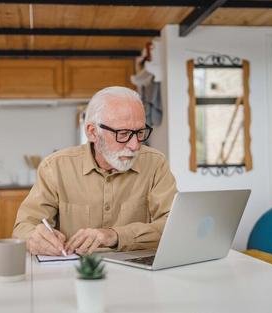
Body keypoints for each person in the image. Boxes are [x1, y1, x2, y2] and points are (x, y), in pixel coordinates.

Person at [12, 86, 177, 256]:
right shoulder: (55, 167)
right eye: (123, 133)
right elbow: (23, 227)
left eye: (140, 132)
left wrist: (114, 235)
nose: (135, 145)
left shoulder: (155, 163)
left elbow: (174, 224)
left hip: (140, 271)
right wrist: (34, 237)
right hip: (75, 273)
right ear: (92, 132)